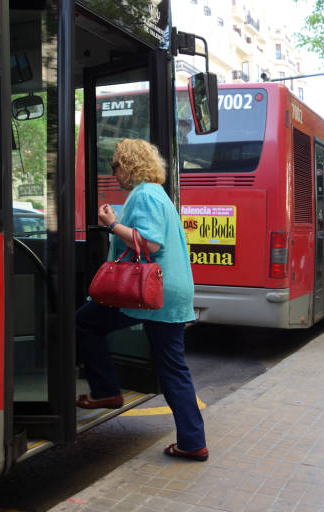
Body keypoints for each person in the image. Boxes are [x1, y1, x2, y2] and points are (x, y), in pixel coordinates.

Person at [75, 139, 208, 462]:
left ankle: (108, 392)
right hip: (162, 290)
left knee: (84, 322)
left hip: (151, 292)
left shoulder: (146, 194)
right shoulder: (153, 193)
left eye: (115, 165)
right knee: (173, 366)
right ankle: (191, 440)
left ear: (129, 164)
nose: (113, 172)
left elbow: (148, 243)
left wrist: (111, 224)